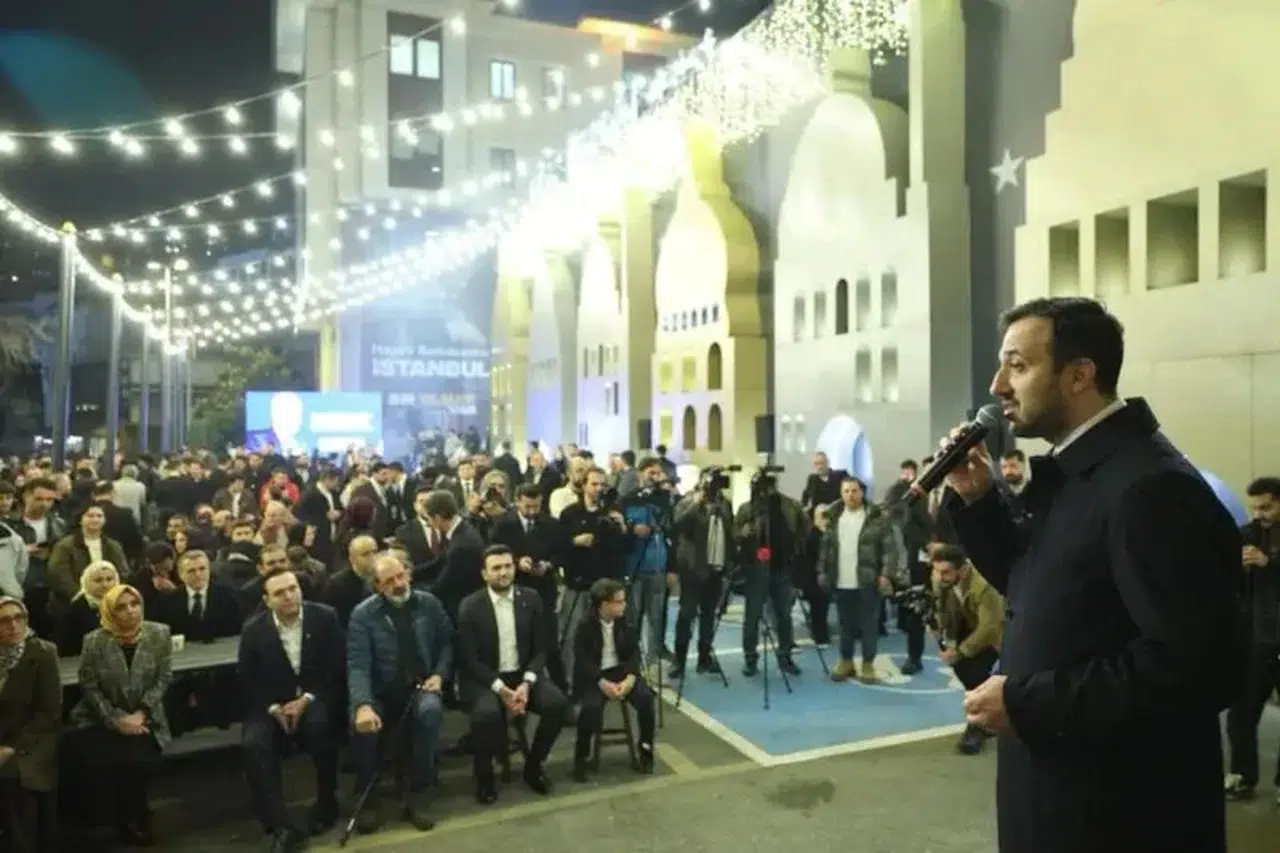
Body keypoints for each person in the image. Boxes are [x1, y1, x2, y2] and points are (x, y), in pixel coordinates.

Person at [942, 297, 1242, 853]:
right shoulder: (1082, 472)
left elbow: (1197, 668)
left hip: (1119, 814)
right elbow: (1043, 590)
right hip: (1067, 791)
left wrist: (1028, 703)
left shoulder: (1149, 488)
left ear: (1079, 375)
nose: (997, 386)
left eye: (1018, 366)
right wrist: (980, 500)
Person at [238, 568, 346, 849]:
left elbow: (335, 667)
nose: (288, 596)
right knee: (255, 745)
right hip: (270, 705)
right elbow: (248, 678)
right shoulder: (253, 630)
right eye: (279, 593)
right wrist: (274, 708)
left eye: (292, 589)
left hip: (313, 697)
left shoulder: (325, 617)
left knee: (321, 727)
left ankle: (327, 804)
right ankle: (279, 824)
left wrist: (307, 699)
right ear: (267, 600)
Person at [347, 552, 452, 833]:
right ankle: (368, 795)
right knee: (363, 726)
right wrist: (363, 704)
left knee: (430, 711)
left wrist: (439, 674)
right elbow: (358, 665)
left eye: (401, 576)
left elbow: (447, 643)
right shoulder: (362, 615)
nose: (398, 584)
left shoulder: (429, 603)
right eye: (389, 581)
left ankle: (420, 790)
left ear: (409, 574)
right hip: (379, 692)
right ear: (377, 586)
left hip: (421, 685)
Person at [457, 545, 568, 805]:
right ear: (484, 574)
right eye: (496, 568)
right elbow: (470, 659)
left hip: (523, 675)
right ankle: (485, 777)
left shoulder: (531, 598)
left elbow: (541, 649)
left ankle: (534, 766)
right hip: (485, 678)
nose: (503, 572)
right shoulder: (470, 606)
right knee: (486, 715)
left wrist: (527, 682)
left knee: (558, 705)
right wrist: (501, 688)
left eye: (508, 566)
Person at [571, 578, 656, 781]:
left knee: (646, 699)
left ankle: (646, 749)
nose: (623, 605)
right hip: (595, 676)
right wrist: (602, 682)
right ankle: (581, 757)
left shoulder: (626, 622)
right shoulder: (584, 626)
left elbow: (634, 654)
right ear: (603, 605)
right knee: (590, 709)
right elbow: (582, 661)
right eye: (618, 602)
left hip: (622, 672)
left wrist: (630, 679)